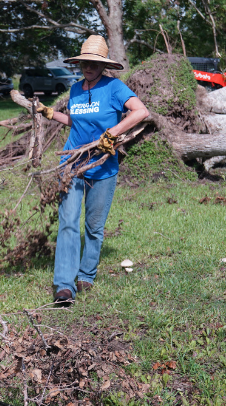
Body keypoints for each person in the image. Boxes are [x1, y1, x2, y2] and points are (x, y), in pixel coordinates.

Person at [35, 35, 149, 304]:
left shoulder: (115, 88)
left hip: (103, 167)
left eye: (94, 63)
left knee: (94, 227)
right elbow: (76, 121)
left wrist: (113, 133)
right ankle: (64, 286)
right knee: (68, 224)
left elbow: (140, 112)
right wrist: (50, 113)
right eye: (85, 62)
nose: (89, 67)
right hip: (73, 165)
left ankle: (86, 275)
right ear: (80, 63)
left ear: (103, 66)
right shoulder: (76, 89)